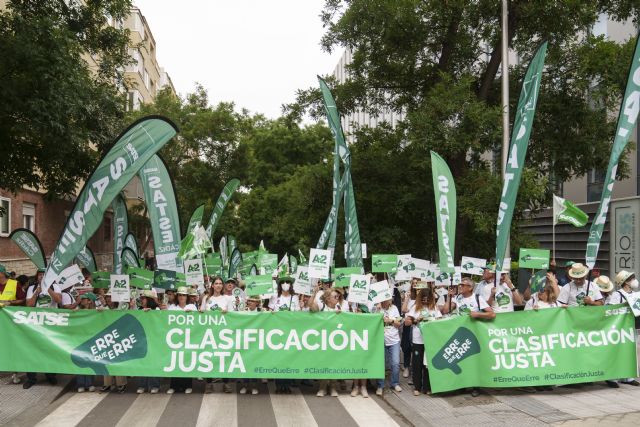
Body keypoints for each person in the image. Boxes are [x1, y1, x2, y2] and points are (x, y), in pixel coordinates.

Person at [441, 277, 494, 397]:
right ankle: (463, 385)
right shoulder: (458, 297)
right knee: (461, 359)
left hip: (474, 334)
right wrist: (449, 297)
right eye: (459, 284)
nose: (459, 287)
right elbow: (445, 310)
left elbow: (491, 313)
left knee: (474, 360)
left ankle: (476, 386)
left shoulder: (477, 298)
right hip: (460, 334)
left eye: (462, 285)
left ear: (470, 287)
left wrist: (477, 314)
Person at [23, 269, 61, 389]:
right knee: (32, 350)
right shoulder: (32, 288)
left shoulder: (55, 286)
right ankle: (31, 378)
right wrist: (36, 292)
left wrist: (48, 288)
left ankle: (50, 375)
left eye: (44, 275)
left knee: (49, 350)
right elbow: (28, 305)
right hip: (35, 323)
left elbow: (59, 300)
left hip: (51, 324)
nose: (41, 276)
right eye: (39, 274)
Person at [404, 283, 442, 396]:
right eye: (423, 299)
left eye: (427, 299)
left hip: (430, 341)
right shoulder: (415, 307)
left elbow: (440, 321)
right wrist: (416, 320)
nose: (425, 301)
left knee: (428, 365)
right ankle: (417, 387)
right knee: (417, 364)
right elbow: (407, 322)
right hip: (418, 340)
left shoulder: (434, 308)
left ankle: (427, 387)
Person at [605, 271, 640, 387]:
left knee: (630, 351)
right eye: (631, 278)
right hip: (619, 328)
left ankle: (627, 377)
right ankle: (612, 378)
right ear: (625, 282)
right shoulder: (617, 295)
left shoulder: (635, 294)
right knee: (616, 350)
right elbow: (611, 310)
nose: (634, 280)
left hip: (632, 326)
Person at [200, 277, 234, 393]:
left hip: (223, 333)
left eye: (220, 283)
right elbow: (201, 313)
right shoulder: (206, 298)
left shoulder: (227, 299)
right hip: (209, 333)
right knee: (208, 357)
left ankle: (226, 383)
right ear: (212, 285)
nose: (218, 285)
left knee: (224, 357)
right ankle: (209, 383)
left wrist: (227, 313)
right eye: (216, 283)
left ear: (222, 286)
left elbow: (233, 316)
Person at [311, 288, 341, 397]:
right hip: (323, 340)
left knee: (334, 363)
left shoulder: (339, 308)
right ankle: (322, 387)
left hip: (335, 341)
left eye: (338, 297)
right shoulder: (322, 307)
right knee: (324, 363)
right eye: (335, 297)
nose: (337, 298)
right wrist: (314, 294)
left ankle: (333, 387)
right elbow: (311, 308)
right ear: (328, 299)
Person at [167, 287, 196, 394]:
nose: (182, 297)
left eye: (184, 295)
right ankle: (174, 386)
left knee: (187, 362)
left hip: (188, 338)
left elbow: (199, 321)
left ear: (187, 297)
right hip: (175, 339)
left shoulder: (192, 306)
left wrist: (193, 313)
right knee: (175, 361)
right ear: (177, 296)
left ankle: (188, 385)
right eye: (180, 295)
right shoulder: (172, 307)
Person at [375, 296, 402, 396]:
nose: (387, 301)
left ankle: (395, 383)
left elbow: (399, 323)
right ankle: (380, 385)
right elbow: (372, 323)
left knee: (395, 363)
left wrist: (390, 321)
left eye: (389, 299)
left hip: (394, 340)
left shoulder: (394, 308)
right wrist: (377, 311)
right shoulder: (377, 309)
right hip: (380, 340)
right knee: (381, 364)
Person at [136, 290, 160, 394]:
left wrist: (152, 313)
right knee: (142, 362)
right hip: (141, 340)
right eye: (141, 299)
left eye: (143, 298)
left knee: (153, 362)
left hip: (154, 340)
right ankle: (142, 385)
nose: (141, 300)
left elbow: (160, 322)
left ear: (149, 299)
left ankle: (154, 385)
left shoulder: (157, 309)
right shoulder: (139, 309)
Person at [239, 296, 262, 395]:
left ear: (257, 303)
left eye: (253, 301)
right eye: (249, 301)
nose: (251, 302)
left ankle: (254, 386)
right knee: (245, 364)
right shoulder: (242, 311)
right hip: (245, 341)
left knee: (255, 363)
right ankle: (245, 385)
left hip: (257, 341)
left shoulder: (262, 311)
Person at [76, 293, 98, 392]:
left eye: (84, 299)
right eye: (82, 299)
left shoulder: (96, 311)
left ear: (90, 301)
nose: (82, 300)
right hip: (79, 340)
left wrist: (101, 312)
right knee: (80, 361)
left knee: (90, 361)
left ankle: (89, 384)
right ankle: (80, 384)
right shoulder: (77, 310)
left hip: (91, 340)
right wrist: (73, 312)